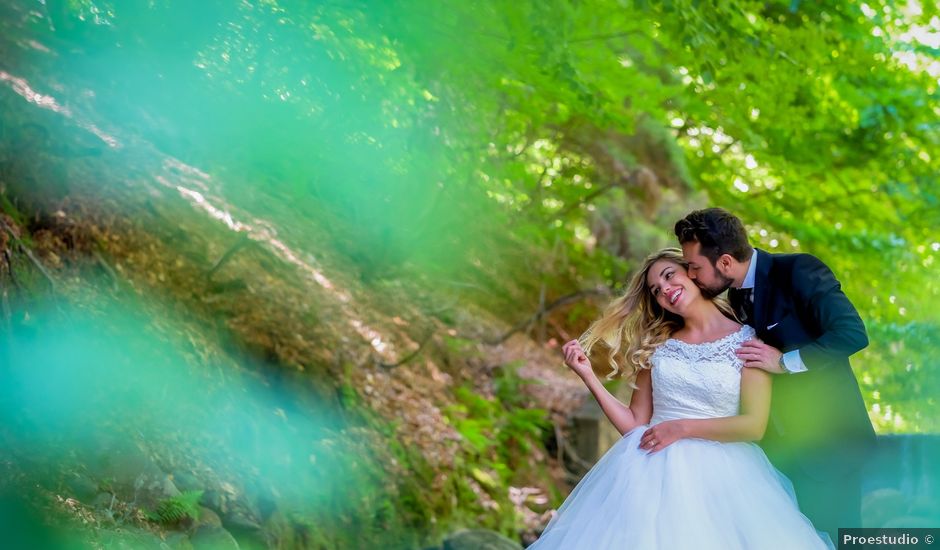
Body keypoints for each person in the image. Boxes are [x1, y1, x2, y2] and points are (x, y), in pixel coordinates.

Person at [530, 248, 832, 549]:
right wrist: (588, 377)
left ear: (692, 272)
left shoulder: (748, 341)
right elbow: (635, 424)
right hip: (648, 474)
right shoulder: (657, 345)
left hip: (725, 479)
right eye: (656, 290)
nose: (665, 290)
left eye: (669, 275)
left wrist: (682, 428)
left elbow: (753, 425)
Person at [673, 208, 875, 540]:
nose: (691, 276)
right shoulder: (734, 297)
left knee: (837, 540)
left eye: (695, 268)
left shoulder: (799, 271)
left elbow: (852, 334)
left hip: (829, 447)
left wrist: (784, 362)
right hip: (775, 453)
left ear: (724, 262)